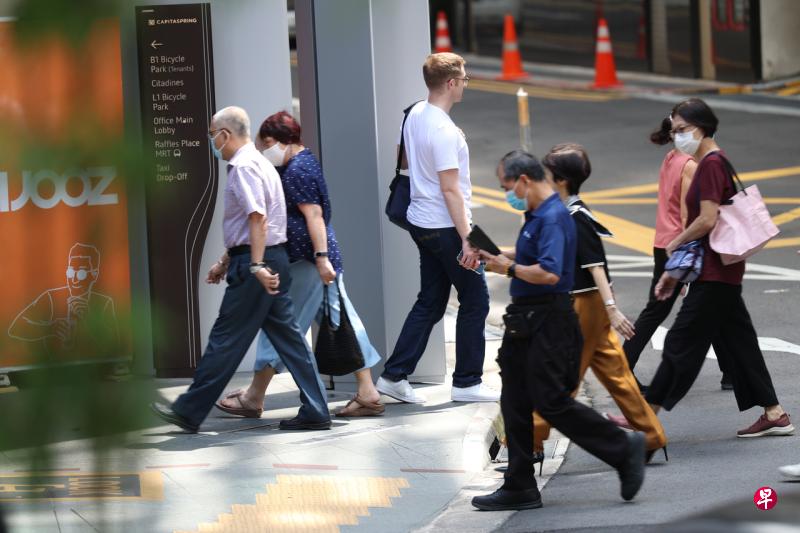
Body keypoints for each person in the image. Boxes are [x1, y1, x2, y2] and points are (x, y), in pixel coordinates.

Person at [471, 150, 645, 511]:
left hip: (547, 322)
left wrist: (508, 269)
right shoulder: (536, 214)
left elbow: (549, 273)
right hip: (526, 321)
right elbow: (529, 260)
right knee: (515, 400)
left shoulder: (552, 217)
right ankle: (519, 484)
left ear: (524, 180)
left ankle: (622, 448)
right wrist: (495, 258)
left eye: (506, 186)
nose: (506, 193)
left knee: (550, 401)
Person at [150, 106, 331, 432]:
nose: (211, 141)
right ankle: (317, 409)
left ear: (224, 135)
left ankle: (190, 410)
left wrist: (255, 264)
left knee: (226, 338)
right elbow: (257, 223)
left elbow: (257, 217)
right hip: (270, 257)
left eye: (211, 135)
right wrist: (227, 260)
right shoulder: (261, 163)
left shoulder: (244, 167)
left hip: (257, 263)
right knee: (290, 340)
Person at [216, 111, 384, 418]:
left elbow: (314, 216)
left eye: (264, 145)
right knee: (340, 320)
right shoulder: (301, 163)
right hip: (317, 260)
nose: (264, 153)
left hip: (309, 262)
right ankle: (368, 391)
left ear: (275, 141)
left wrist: (320, 260)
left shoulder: (297, 171)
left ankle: (255, 395)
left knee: (281, 324)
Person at [646, 98, 793, 438]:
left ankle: (644, 416)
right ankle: (774, 412)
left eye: (682, 130)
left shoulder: (710, 164)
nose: (678, 136)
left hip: (714, 273)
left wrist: (675, 243)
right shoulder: (712, 160)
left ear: (701, 127)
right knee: (740, 343)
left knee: (681, 343)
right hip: (722, 271)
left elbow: (707, 220)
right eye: (675, 131)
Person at [530, 143, 667, 463]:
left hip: (584, 307)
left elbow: (595, 266)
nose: (543, 178)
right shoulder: (566, 212)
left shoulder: (577, 217)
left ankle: (530, 438)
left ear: (561, 180)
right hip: (586, 305)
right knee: (615, 372)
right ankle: (651, 436)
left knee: (560, 376)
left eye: (547, 173)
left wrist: (610, 308)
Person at [376, 52, 497, 404]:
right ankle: (467, 384)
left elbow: (405, 159)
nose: (465, 84)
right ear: (451, 82)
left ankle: (394, 376)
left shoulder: (415, 113)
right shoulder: (445, 131)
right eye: (464, 78)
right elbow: (450, 190)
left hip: (419, 220)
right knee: (476, 300)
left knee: (430, 300)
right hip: (445, 226)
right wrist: (468, 240)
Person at [623, 115, 731, 393]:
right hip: (681, 245)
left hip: (663, 242)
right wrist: (687, 258)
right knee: (660, 311)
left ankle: (730, 371)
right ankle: (623, 368)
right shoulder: (691, 165)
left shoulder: (671, 157)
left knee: (710, 305)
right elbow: (687, 213)